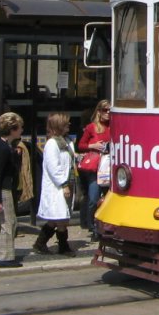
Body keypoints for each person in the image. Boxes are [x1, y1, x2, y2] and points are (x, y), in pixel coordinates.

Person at [32, 112, 76, 257]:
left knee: (58, 218)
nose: (69, 125)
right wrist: (63, 184)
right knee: (60, 217)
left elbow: (70, 159)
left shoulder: (67, 141)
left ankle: (41, 243)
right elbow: (53, 167)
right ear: (58, 125)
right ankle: (62, 246)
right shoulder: (52, 144)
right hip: (58, 186)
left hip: (68, 182)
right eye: (66, 123)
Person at [0, 112, 24, 268]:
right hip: (2, 188)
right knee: (9, 222)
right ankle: (6, 257)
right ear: (12, 129)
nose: (21, 130)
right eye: (20, 127)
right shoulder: (3, 148)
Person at [77, 100, 110, 240]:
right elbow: (81, 145)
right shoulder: (92, 127)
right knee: (93, 197)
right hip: (95, 167)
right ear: (99, 111)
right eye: (105, 110)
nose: (108, 113)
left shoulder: (115, 126)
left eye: (110, 110)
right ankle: (93, 226)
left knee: (108, 198)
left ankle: (106, 226)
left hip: (109, 166)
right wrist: (93, 145)